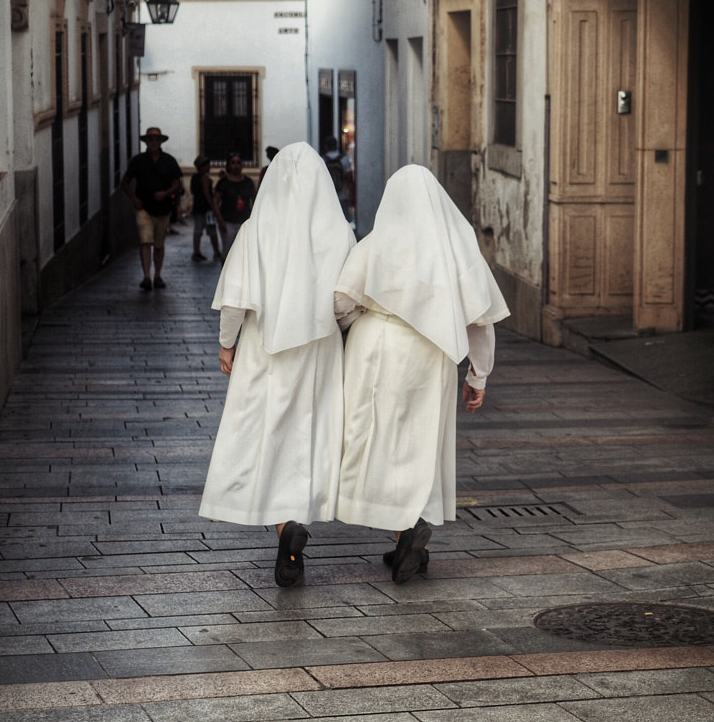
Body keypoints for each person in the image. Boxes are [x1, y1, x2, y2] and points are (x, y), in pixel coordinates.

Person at [333, 164, 510, 584]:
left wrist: (356, 320)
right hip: (431, 355)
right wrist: (478, 375)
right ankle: (413, 542)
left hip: (377, 348)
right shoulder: (456, 248)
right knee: (422, 443)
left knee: (380, 439)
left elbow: (340, 301)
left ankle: (404, 534)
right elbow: (480, 320)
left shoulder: (375, 244)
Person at [199, 142, 355, 587]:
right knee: (309, 434)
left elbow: (234, 300)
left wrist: (227, 346)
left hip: (264, 348)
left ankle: (285, 527)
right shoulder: (339, 232)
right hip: (320, 350)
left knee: (268, 434)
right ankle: (295, 520)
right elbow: (346, 302)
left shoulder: (254, 231)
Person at [121, 127, 183, 290]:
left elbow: (178, 183)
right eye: (151, 140)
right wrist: (134, 199)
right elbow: (125, 182)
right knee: (145, 241)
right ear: (146, 142)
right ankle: (147, 276)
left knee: (159, 244)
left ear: (160, 142)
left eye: (156, 139)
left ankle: (158, 275)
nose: (154, 142)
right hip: (144, 208)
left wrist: (166, 193)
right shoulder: (138, 161)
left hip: (163, 209)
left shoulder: (169, 161)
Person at [213, 152, 256, 257]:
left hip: (244, 221)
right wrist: (221, 220)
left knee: (244, 252)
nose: (236, 166)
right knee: (227, 252)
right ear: (228, 165)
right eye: (233, 163)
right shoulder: (223, 182)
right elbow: (215, 201)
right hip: (228, 222)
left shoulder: (248, 182)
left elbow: (254, 199)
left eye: (238, 163)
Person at [190, 155, 223, 263]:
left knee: (198, 230)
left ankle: (196, 251)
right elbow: (206, 193)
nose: (209, 166)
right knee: (211, 230)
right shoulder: (204, 178)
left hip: (198, 207)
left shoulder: (195, 177)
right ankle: (216, 251)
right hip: (205, 208)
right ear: (202, 166)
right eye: (207, 164)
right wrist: (212, 205)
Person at [321, 135, 355, 226]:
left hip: (328, 194)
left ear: (326, 146)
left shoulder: (322, 160)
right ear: (336, 145)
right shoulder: (344, 159)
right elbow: (349, 177)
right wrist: (351, 192)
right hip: (343, 194)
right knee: (344, 219)